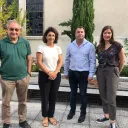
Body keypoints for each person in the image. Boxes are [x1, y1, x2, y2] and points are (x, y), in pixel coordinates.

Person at [0, 20, 32, 128]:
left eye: (16, 29)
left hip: (23, 77)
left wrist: (29, 73)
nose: (14, 31)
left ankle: (22, 120)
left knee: (22, 101)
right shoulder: (1, 43)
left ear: (20, 31)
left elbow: (29, 58)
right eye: (11, 29)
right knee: (6, 102)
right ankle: (6, 122)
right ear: (7, 30)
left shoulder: (25, 43)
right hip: (6, 78)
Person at [64, 26, 96, 123]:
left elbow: (92, 61)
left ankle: (83, 113)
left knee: (83, 94)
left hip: (84, 74)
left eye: (82, 32)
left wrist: (91, 74)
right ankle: (72, 111)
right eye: (78, 32)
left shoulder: (90, 46)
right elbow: (67, 60)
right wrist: (66, 71)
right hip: (72, 73)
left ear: (84, 33)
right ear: (75, 33)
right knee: (73, 93)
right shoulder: (70, 46)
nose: (80, 34)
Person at [96, 25, 125, 128]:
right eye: (105, 33)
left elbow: (122, 61)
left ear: (111, 34)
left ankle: (113, 122)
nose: (107, 35)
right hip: (100, 71)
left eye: (109, 33)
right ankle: (106, 115)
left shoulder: (117, 45)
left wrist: (117, 71)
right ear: (102, 34)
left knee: (111, 98)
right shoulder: (99, 46)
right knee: (103, 95)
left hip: (112, 71)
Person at [36, 27, 62, 127]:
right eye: (49, 35)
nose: (51, 37)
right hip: (44, 75)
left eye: (53, 35)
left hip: (56, 75)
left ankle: (51, 115)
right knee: (44, 97)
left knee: (53, 96)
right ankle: (45, 116)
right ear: (46, 36)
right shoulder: (41, 47)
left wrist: (55, 72)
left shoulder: (58, 48)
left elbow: (60, 61)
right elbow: (39, 62)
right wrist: (49, 73)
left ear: (55, 37)